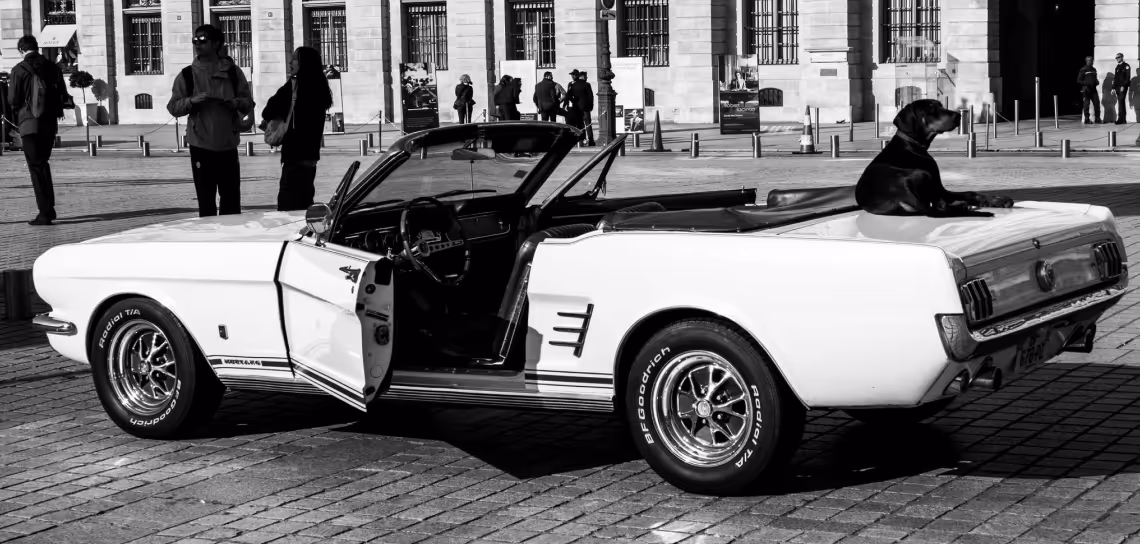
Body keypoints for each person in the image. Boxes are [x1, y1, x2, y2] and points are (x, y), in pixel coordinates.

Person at [167, 24, 253, 217]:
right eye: (195, 40)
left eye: (203, 40)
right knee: (206, 201)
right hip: (201, 146)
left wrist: (236, 103)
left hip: (227, 146)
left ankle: (231, 240)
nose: (198, 44)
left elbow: (248, 103)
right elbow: (173, 107)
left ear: (216, 44)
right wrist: (191, 101)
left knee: (231, 202)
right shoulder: (187, 75)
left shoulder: (233, 72)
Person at [259, 46, 333, 212]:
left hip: (294, 153)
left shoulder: (294, 86)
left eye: (294, 59)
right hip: (310, 155)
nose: (290, 62)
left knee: (287, 203)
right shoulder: (320, 86)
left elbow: (268, 110)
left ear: (304, 63)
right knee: (305, 200)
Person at [8, 35, 71, 226]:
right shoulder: (53, 67)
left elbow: (13, 100)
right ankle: (48, 209)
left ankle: (45, 213)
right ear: (37, 47)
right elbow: (62, 93)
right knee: (43, 163)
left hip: (29, 123)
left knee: (36, 167)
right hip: (49, 123)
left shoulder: (19, 70)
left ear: (21, 50)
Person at [1078, 55, 1102, 124]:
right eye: (1088, 60)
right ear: (1086, 61)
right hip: (1086, 90)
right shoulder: (1083, 69)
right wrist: (1086, 83)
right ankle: (1086, 119)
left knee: (1097, 104)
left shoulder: (1094, 69)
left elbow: (1095, 78)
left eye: (1091, 60)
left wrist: (1096, 81)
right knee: (1086, 105)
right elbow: (1079, 80)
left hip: (1093, 89)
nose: (1090, 62)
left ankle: (1097, 118)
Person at [1114, 53, 1131, 124]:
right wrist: (1113, 88)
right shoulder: (1117, 67)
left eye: (1118, 57)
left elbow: (1127, 78)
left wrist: (1123, 86)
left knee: (1121, 102)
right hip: (1117, 87)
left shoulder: (1126, 66)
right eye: (1116, 58)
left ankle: (1120, 118)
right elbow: (1115, 78)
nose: (1117, 59)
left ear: (1122, 57)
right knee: (1121, 102)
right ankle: (1123, 119)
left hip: (1122, 87)